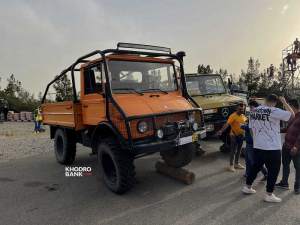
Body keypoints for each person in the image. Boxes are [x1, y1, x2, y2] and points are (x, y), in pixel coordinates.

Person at [242, 94, 294, 203]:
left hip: (258, 145)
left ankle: (247, 187)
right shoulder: (273, 110)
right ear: (275, 102)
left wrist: (256, 141)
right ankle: (269, 194)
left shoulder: (254, 110)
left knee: (255, 167)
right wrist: (284, 102)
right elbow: (292, 116)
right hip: (272, 147)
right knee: (273, 171)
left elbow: (251, 128)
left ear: (265, 100)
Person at [276, 99, 300, 194]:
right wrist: (276, 130)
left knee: (298, 167)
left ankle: (297, 186)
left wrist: (296, 146)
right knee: (285, 165)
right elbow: (288, 128)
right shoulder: (294, 117)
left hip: (295, 148)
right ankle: (284, 183)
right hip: (286, 146)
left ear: (293, 106)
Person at [242, 100, 267, 180]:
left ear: (254, 107)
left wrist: (243, 126)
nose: (250, 109)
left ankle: (265, 174)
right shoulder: (253, 114)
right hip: (250, 141)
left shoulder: (256, 116)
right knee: (247, 159)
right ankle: (248, 173)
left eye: (251, 107)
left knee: (254, 161)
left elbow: (252, 128)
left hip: (253, 142)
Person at [217, 103, 247, 172]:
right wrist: (221, 131)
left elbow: (246, 124)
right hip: (234, 136)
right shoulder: (233, 116)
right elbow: (227, 124)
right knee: (233, 151)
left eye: (242, 109)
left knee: (239, 151)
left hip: (241, 136)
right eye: (240, 109)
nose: (241, 110)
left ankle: (236, 163)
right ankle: (231, 165)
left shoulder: (243, 116)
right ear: (236, 109)